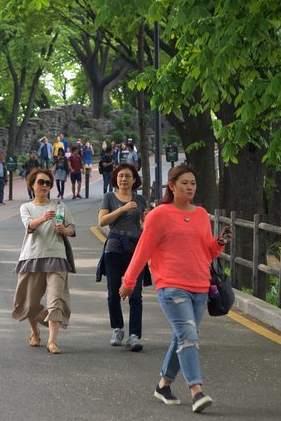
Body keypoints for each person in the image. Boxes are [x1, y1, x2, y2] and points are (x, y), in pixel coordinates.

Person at [120, 164, 233, 413]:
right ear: (172, 186)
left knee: (182, 337)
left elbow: (208, 252)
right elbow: (143, 251)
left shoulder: (202, 214)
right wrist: (129, 282)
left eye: (193, 183)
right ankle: (197, 391)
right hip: (171, 287)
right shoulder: (159, 215)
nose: (190, 187)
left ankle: (163, 385)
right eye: (184, 182)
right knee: (189, 337)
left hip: (200, 286)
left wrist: (220, 242)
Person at [13, 168, 76, 355]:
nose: (45, 186)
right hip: (32, 256)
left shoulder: (59, 206)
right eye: (41, 182)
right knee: (30, 303)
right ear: (32, 184)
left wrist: (64, 230)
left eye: (48, 183)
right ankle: (34, 331)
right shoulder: (26, 207)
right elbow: (29, 226)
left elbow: (72, 229)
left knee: (56, 300)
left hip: (57, 255)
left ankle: (52, 341)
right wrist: (42, 218)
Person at [98, 164, 150, 351]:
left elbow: (146, 224)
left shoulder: (141, 199)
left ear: (134, 179)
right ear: (116, 179)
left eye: (128, 176)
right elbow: (102, 221)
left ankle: (134, 335)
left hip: (136, 249)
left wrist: (146, 219)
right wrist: (123, 209)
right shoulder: (109, 197)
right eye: (120, 176)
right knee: (113, 293)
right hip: (113, 248)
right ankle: (117, 328)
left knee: (136, 294)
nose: (124, 179)